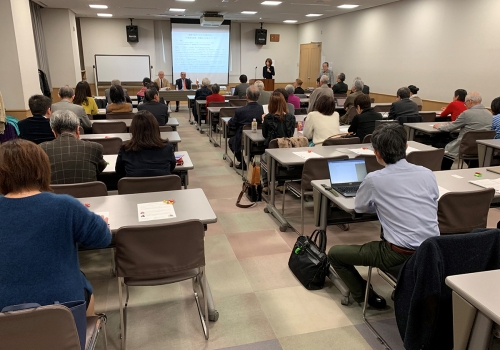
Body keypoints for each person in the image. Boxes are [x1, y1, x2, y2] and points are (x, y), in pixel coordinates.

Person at [328, 123, 439, 309]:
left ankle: (367, 297)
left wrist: (382, 204)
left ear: (377, 153)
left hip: (397, 254)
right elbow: (432, 199)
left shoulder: (374, 179)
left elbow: (361, 208)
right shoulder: (427, 173)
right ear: (405, 147)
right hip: (433, 251)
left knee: (335, 254)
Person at [0, 139, 111, 314]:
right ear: (42, 168)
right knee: (84, 288)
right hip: (63, 309)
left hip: (5, 321)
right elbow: (103, 239)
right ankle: (82, 337)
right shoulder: (65, 205)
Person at [40, 110, 107, 184]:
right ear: (78, 130)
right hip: (87, 194)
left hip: (54, 194)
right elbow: (100, 169)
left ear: (54, 132)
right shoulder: (94, 147)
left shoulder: (41, 149)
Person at [435, 92, 493, 170]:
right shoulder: (489, 114)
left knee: (445, 147)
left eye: (465, 103)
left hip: (465, 146)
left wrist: (439, 126)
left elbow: (449, 128)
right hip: (480, 148)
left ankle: (443, 171)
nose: (465, 105)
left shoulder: (467, 113)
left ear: (470, 101)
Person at [115, 111, 176, 177]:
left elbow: (119, 171)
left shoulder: (126, 148)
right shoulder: (167, 147)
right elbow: (171, 168)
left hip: (134, 186)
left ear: (133, 129)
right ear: (155, 127)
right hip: (163, 186)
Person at [261, 92, 296, 193]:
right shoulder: (291, 118)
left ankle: (266, 184)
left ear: (270, 104)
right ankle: (281, 183)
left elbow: (264, 134)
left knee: (263, 157)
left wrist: (264, 121)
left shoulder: (268, 118)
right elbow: (291, 134)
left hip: (272, 152)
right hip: (287, 152)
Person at [228, 86, 264, 170]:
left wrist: (228, 122)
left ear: (246, 96)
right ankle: (251, 159)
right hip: (259, 138)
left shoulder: (239, 111)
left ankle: (242, 162)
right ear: (259, 96)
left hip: (242, 139)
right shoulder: (263, 109)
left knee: (231, 142)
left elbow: (232, 124)